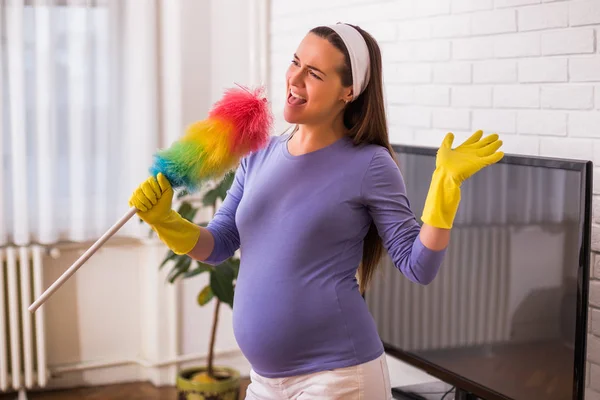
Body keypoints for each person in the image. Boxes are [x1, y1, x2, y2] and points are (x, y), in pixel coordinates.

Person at [130, 22, 504, 400]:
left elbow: (418, 266)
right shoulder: (258, 154)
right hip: (265, 381)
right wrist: (166, 221)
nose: (295, 78)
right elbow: (220, 244)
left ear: (349, 91)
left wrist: (445, 186)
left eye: (314, 73)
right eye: (296, 63)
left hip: (338, 377)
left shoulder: (370, 164)